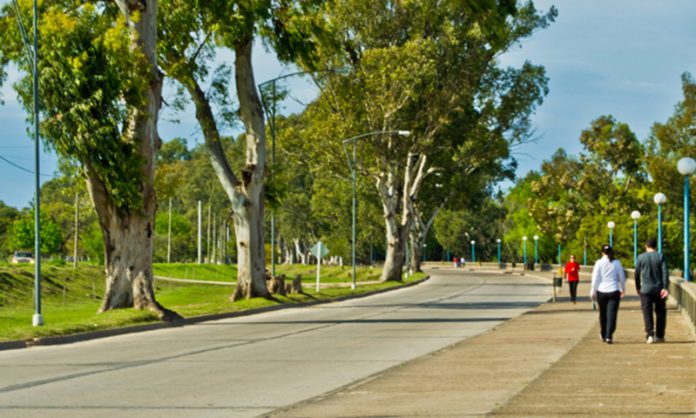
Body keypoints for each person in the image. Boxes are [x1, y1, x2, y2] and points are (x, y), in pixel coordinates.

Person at [635, 238, 670, 344]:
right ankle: (659, 336)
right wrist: (665, 287)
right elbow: (665, 273)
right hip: (659, 289)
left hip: (645, 290)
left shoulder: (641, 257)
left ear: (646, 246)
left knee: (647, 313)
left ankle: (650, 335)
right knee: (660, 313)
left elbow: (637, 273)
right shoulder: (660, 256)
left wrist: (638, 287)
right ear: (656, 246)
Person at [590, 245, 625, 344]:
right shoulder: (616, 263)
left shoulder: (599, 263)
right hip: (614, 290)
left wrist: (593, 290)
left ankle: (603, 333)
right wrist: (622, 288)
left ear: (602, 253)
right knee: (612, 314)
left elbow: (595, 278)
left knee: (603, 314)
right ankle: (609, 335)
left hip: (601, 291)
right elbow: (621, 277)